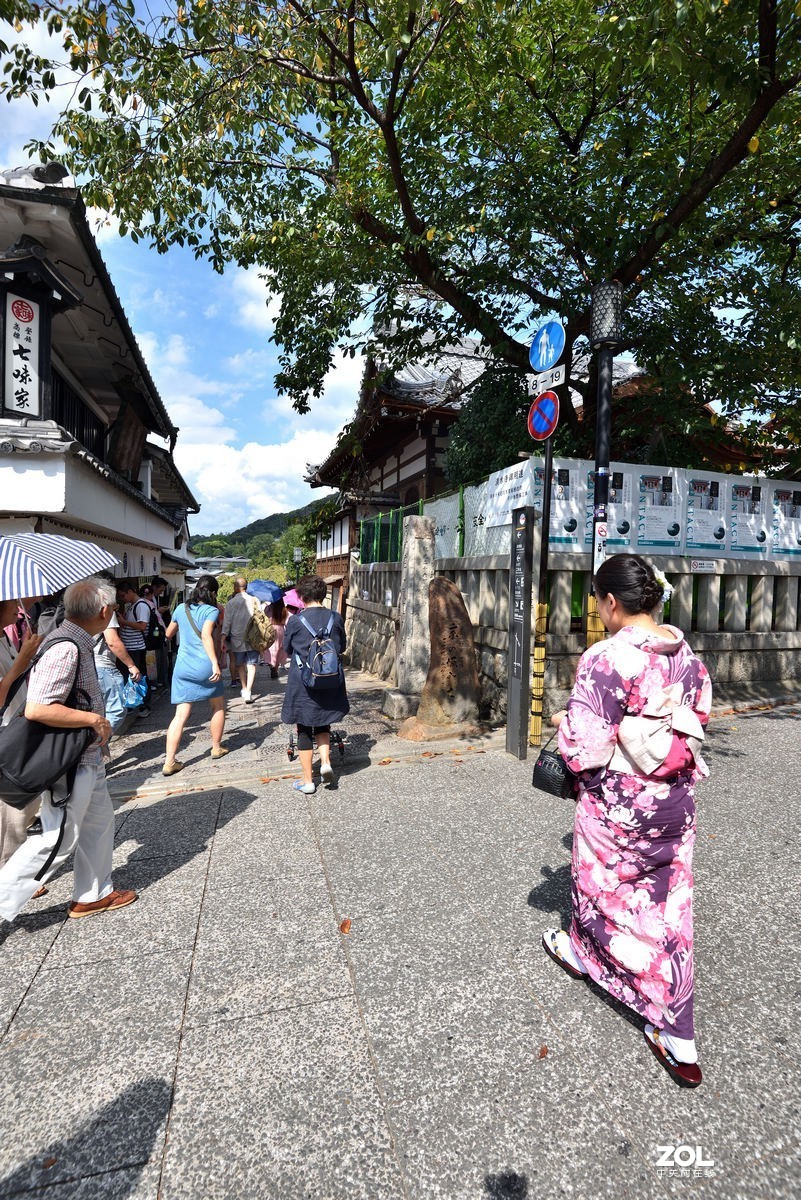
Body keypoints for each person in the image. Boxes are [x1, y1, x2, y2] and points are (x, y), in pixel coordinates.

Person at [542, 554, 712, 1088]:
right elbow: (697, 714)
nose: (599, 610)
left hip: (619, 804)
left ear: (611, 603)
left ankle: (585, 953)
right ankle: (677, 1033)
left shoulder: (607, 658)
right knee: (667, 905)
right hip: (674, 800)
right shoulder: (685, 654)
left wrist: (562, 724)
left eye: (598, 601)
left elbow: (585, 744)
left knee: (600, 886)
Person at [0, 577, 138, 922]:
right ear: (104, 610)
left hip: (86, 757)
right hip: (72, 763)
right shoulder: (67, 647)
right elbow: (38, 707)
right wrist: (93, 719)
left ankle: (92, 894)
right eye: (114, 608)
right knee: (57, 837)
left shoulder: (76, 640)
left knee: (98, 822)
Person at [281, 575, 348, 794]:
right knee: (322, 723)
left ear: (301, 596)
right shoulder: (335, 618)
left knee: (303, 728)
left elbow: (288, 650)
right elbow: (342, 646)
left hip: (303, 681)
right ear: (323, 594)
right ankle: (326, 762)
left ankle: (308, 781)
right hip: (329, 679)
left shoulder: (295, 621)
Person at [162, 574, 227, 776]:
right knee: (217, 705)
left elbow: (168, 634)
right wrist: (215, 662)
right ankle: (216, 747)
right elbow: (207, 635)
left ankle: (169, 761)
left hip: (183, 668)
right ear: (213, 593)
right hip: (204, 666)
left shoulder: (181, 608)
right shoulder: (211, 610)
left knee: (180, 715)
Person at [0, 598, 42, 873]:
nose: (17, 609)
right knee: (12, 807)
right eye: (8, 603)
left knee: (24, 804)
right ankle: (9, 872)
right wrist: (24, 658)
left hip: (16, 725)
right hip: (6, 734)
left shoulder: (4, 637)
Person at [116, 579, 152, 714]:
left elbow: (142, 626)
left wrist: (124, 622)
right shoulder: (131, 606)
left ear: (130, 592)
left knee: (140, 677)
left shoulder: (141, 605)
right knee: (129, 678)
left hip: (136, 648)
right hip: (129, 647)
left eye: (123, 595)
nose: (122, 599)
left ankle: (145, 705)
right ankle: (132, 703)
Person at [221, 576, 259, 703]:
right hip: (253, 637)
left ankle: (244, 688)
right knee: (252, 664)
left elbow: (227, 622)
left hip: (237, 637)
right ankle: (249, 690)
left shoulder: (231, 603)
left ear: (235, 588)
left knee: (240, 664)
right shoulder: (255, 600)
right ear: (246, 587)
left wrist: (223, 637)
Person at [263, 597, 289, 679]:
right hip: (280, 630)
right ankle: (275, 668)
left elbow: (264, 618)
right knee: (278, 650)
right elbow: (287, 622)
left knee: (269, 649)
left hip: (270, 629)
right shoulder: (284, 610)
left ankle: (272, 666)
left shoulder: (268, 608)